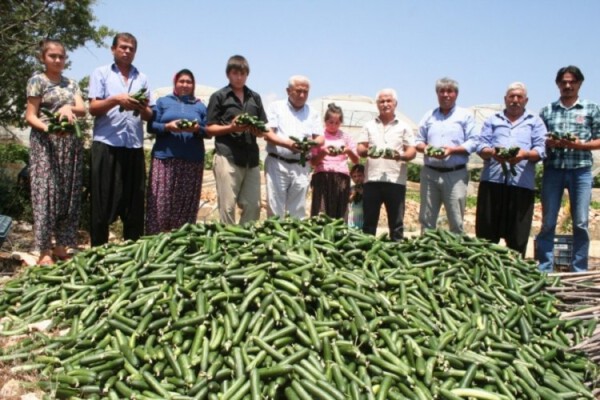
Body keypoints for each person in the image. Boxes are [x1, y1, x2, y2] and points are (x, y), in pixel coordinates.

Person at [88, 32, 153, 246]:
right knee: (102, 201)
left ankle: (133, 254)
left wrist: (141, 107)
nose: (127, 51)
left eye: (131, 48)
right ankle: (98, 253)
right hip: (107, 145)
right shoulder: (101, 74)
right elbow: (93, 108)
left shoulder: (141, 78)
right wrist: (116, 99)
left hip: (133, 146)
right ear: (113, 49)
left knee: (134, 204)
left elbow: (148, 115)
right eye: (123, 47)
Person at [25, 39, 86, 265]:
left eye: (61, 56)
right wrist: (48, 127)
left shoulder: (71, 84)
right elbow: (30, 115)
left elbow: (82, 109)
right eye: (53, 56)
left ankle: (61, 245)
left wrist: (68, 107)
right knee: (46, 194)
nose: (58, 60)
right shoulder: (37, 81)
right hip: (46, 144)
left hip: (70, 145)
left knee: (67, 195)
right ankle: (43, 250)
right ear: (43, 58)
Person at [536, 66, 600, 273]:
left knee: (580, 222)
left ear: (579, 84)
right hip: (553, 169)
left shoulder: (591, 108)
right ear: (557, 84)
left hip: (580, 170)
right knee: (548, 221)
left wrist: (579, 145)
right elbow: (538, 140)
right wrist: (549, 143)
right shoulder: (547, 110)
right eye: (563, 82)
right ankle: (545, 267)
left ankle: (578, 267)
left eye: (572, 82)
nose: (567, 86)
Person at [476, 82, 546, 257]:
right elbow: (481, 145)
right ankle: (485, 270)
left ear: (526, 100)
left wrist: (525, 154)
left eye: (519, 97)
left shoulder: (535, 121)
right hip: (493, 181)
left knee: (517, 235)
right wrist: (492, 152)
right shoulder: (493, 120)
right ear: (505, 99)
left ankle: (515, 273)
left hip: (521, 184)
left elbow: (542, 149)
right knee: (486, 232)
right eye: (511, 96)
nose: (515, 100)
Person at [206, 55, 268, 225]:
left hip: (251, 159)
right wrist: (231, 128)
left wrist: (258, 131)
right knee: (227, 207)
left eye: (242, 73)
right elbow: (209, 128)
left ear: (247, 75)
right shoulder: (219, 96)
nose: (239, 77)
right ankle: (228, 244)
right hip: (227, 156)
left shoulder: (255, 97)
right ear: (228, 74)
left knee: (254, 206)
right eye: (235, 73)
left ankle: (245, 242)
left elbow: (263, 129)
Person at [146, 69, 207, 234]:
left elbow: (207, 131)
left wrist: (197, 129)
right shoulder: (163, 102)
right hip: (165, 159)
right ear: (175, 83)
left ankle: (180, 245)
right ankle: (154, 243)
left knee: (185, 206)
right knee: (160, 204)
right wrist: (168, 126)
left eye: (189, 82)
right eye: (182, 81)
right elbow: (151, 126)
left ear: (193, 85)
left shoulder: (200, 106)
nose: (185, 85)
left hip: (192, 161)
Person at [415, 77, 478, 234]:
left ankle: (456, 254)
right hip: (430, 174)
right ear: (437, 94)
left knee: (456, 219)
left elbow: (474, 141)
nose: (445, 94)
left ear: (456, 94)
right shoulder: (429, 116)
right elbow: (418, 141)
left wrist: (452, 150)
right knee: (427, 218)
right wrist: (427, 148)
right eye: (441, 91)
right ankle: (426, 251)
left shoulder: (465, 116)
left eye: (449, 91)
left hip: (455, 174)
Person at [357, 89, 416, 241]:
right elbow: (360, 148)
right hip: (372, 180)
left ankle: (396, 253)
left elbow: (412, 151)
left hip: (395, 181)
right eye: (382, 101)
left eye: (388, 101)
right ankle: (367, 254)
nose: (385, 104)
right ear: (377, 104)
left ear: (395, 103)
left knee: (396, 224)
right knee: (369, 223)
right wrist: (367, 151)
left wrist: (401, 155)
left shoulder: (404, 126)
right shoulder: (369, 125)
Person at [265, 75, 323, 218]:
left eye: (306, 92)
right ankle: (275, 238)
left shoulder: (313, 113)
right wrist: (287, 144)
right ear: (288, 91)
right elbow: (268, 134)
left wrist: (309, 144)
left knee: (297, 209)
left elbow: (320, 139)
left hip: (301, 165)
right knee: (275, 207)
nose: (302, 95)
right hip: (278, 163)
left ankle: (295, 238)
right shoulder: (276, 107)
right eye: (298, 91)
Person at [309, 103, 359, 218]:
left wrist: (348, 151)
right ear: (325, 121)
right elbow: (313, 162)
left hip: (341, 179)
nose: (333, 125)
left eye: (337, 123)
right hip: (322, 176)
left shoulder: (346, 137)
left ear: (341, 123)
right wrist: (324, 152)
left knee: (340, 212)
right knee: (320, 212)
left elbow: (356, 160)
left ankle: (339, 235)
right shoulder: (318, 137)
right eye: (330, 122)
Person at [347, 163, 365, 229]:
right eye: (354, 176)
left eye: (360, 175)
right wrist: (353, 194)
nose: (357, 178)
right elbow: (348, 200)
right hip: (352, 218)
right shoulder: (351, 188)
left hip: (363, 218)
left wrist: (362, 193)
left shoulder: (367, 188)